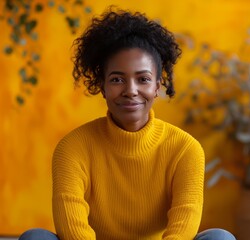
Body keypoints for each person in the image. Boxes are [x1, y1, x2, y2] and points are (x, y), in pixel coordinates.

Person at [19, 7, 236, 240]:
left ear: (157, 86)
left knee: (219, 238)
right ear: (102, 85)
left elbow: (182, 229)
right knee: (35, 238)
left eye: (142, 79)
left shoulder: (185, 149)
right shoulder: (73, 148)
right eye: (117, 79)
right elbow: (73, 231)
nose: (130, 91)